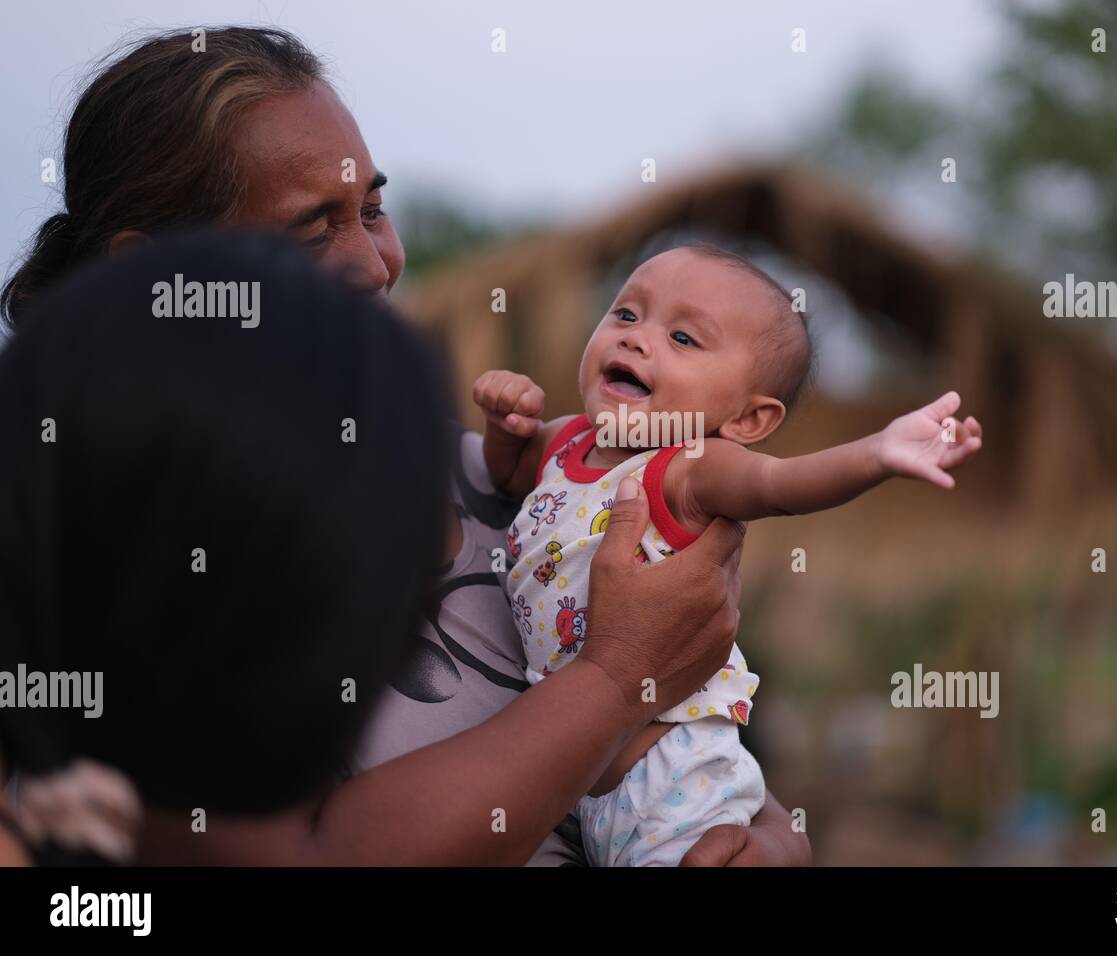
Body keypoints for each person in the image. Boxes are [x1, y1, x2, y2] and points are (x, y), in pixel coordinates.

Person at [1, 26, 808, 864]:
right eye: (315, 229)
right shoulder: (122, 556)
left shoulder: (516, 477)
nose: (376, 263)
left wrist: (773, 839)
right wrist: (606, 683)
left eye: (373, 211)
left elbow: (683, 716)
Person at [475, 244, 983, 864]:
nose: (636, 340)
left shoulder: (688, 467)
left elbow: (783, 485)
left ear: (746, 419)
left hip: (671, 779)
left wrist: (878, 454)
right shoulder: (566, 440)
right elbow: (505, 477)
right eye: (626, 314)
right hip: (570, 766)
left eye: (684, 338)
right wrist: (506, 425)